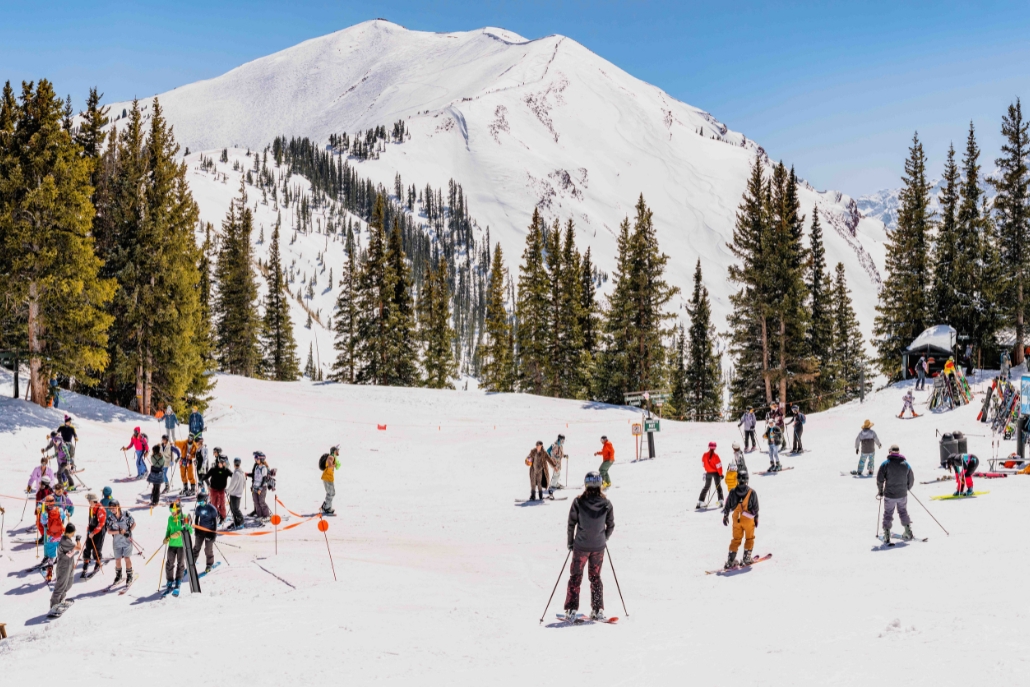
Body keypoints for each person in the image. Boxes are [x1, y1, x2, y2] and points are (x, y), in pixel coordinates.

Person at [563, 471, 615, 622]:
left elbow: (571, 524)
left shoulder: (578, 502)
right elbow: (610, 525)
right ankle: (597, 609)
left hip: (581, 546)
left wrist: (570, 542)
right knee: (595, 577)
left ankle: (572, 609)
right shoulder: (606, 504)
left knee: (575, 577)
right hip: (598, 547)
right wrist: (603, 537)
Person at [876, 444, 915, 543]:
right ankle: (907, 530)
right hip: (902, 494)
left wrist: (880, 491)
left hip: (890, 495)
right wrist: (907, 488)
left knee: (888, 513)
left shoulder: (886, 463)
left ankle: (887, 534)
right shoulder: (905, 464)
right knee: (903, 511)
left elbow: (880, 479)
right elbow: (911, 478)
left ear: (890, 452)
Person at [722, 472, 760, 569]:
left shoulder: (732, 491)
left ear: (737, 479)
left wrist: (725, 516)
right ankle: (746, 558)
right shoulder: (752, 492)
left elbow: (727, 506)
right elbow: (756, 508)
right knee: (749, 538)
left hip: (736, 518)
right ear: (747, 479)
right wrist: (756, 518)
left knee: (736, 539)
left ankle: (730, 560)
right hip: (748, 519)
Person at [49, 522, 81, 615]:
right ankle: (54, 606)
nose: (74, 534)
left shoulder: (68, 539)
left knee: (69, 583)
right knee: (60, 586)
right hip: (63, 566)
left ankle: (61, 600)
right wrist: (78, 539)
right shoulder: (65, 541)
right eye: (74, 532)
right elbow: (78, 547)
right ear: (71, 532)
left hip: (69, 565)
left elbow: (70, 552)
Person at [163, 500, 191, 592]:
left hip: (181, 545)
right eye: (171, 511)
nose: (172, 513)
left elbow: (190, 530)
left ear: (178, 510)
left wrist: (180, 532)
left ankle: (178, 579)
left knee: (180, 563)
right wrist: (166, 538)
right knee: (169, 563)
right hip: (172, 544)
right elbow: (168, 529)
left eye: (174, 511)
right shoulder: (170, 518)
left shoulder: (184, 517)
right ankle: (170, 580)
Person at [106, 499, 136, 585]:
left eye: (114, 508)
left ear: (118, 506)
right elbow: (109, 531)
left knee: (127, 558)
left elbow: (134, 524)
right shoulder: (110, 518)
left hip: (127, 540)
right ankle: (118, 576)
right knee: (118, 559)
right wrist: (119, 532)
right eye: (110, 508)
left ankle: (129, 576)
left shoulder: (126, 514)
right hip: (117, 541)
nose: (112, 510)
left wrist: (128, 531)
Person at [40, 494, 66, 582]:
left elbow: (43, 523)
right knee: (61, 553)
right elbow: (63, 517)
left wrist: (43, 510)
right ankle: (62, 573)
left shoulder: (45, 513)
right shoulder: (60, 510)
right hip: (60, 535)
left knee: (51, 556)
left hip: (51, 536)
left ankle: (50, 573)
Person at [192, 490, 218, 573]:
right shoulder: (199, 508)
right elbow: (196, 519)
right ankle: (192, 561)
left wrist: (213, 534)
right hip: (201, 530)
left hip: (209, 531)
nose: (200, 503)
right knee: (196, 547)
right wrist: (196, 529)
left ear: (206, 500)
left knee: (208, 549)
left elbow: (215, 522)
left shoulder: (211, 509)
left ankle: (209, 564)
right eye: (199, 502)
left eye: (202, 501)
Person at [81, 493, 107, 579]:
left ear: (92, 501)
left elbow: (101, 523)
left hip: (99, 531)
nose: (88, 502)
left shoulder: (101, 509)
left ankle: (98, 563)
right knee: (88, 547)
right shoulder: (91, 507)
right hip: (91, 530)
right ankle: (86, 563)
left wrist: (94, 532)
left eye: (89, 500)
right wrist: (89, 528)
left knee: (97, 548)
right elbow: (91, 519)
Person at [206, 452, 234, 521]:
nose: (226, 464)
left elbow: (233, 475)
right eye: (225, 462)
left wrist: (240, 476)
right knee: (213, 503)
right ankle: (214, 516)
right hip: (214, 489)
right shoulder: (214, 469)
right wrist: (203, 481)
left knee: (222, 504)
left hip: (221, 489)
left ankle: (223, 517)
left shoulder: (226, 470)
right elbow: (206, 475)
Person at [696, 441, 724, 509]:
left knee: (706, 486)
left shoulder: (705, 455)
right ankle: (720, 501)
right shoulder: (716, 456)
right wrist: (720, 474)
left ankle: (700, 501)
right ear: (715, 448)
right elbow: (719, 466)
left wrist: (707, 468)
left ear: (708, 447)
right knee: (718, 486)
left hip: (708, 473)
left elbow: (703, 464)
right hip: (716, 473)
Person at [249, 451, 272, 519]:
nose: (255, 459)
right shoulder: (256, 467)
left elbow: (264, 479)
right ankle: (260, 516)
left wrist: (260, 488)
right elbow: (255, 478)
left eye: (256, 458)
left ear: (261, 459)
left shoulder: (264, 468)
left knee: (261, 502)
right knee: (256, 502)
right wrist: (253, 486)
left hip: (261, 488)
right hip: (255, 487)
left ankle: (266, 516)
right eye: (255, 458)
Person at [319, 446, 340, 515]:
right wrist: (332, 465)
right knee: (331, 493)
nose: (338, 452)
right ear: (334, 451)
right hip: (327, 478)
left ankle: (326, 505)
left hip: (328, 477)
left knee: (331, 492)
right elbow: (329, 462)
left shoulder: (332, 457)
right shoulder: (331, 457)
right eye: (337, 450)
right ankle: (327, 508)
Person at [227, 457, 246, 529]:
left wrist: (228, 490)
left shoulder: (236, 473)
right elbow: (244, 483)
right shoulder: (242, 473)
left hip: (234, 494)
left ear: (234, 464)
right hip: (238, 493)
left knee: (235, 509)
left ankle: (241, 522)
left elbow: (232, 484)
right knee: (234, 509)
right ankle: (236, 521)